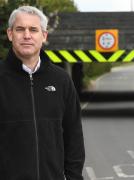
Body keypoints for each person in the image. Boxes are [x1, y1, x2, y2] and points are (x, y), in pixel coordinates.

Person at [0, 5, 85, 180]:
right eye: (20, 29)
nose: (27, 35)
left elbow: (73, 136)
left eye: (33, 29)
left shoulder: (61, 80)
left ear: (44, 36)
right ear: (10, 34)